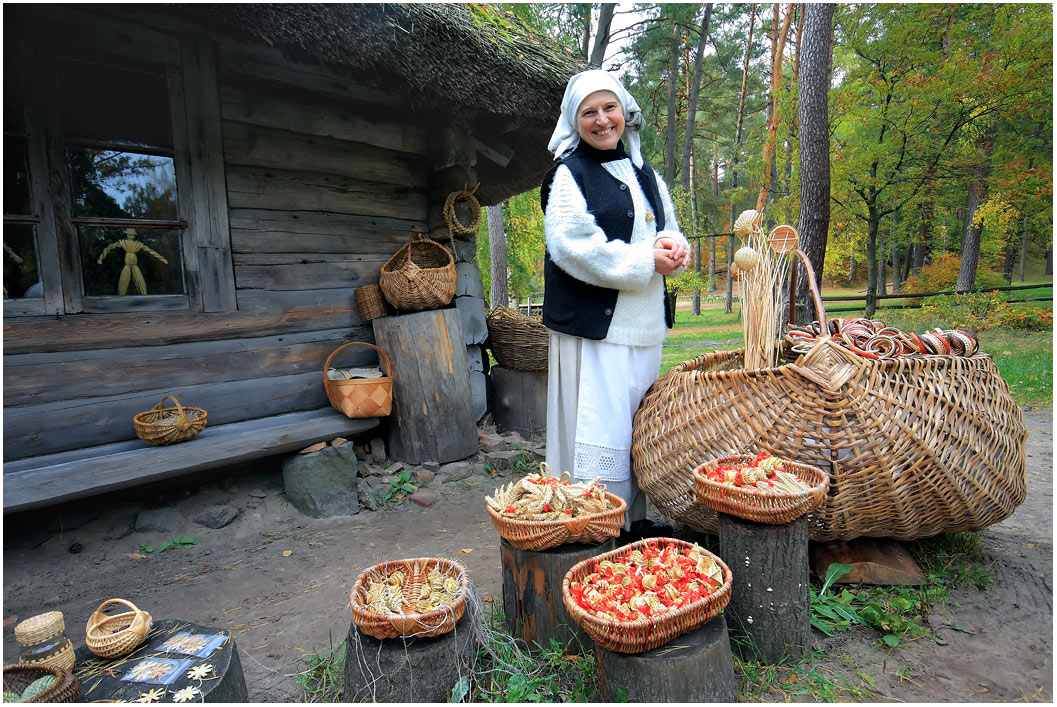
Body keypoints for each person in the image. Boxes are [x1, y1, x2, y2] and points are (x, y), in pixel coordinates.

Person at [541, 69, 691, 542]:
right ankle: (595, 525)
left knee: (636, 430)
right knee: (600, 430)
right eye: (589, 112)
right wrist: (647, 258)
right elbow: (572, 246)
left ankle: (631, 520)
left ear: (625, 113)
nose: (602, 120)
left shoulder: (644, 170)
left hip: (644, 326)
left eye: (610, 109)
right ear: (575, 120)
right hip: (597, 328)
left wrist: (676, 249)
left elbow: (666, 227)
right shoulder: (568, 174)